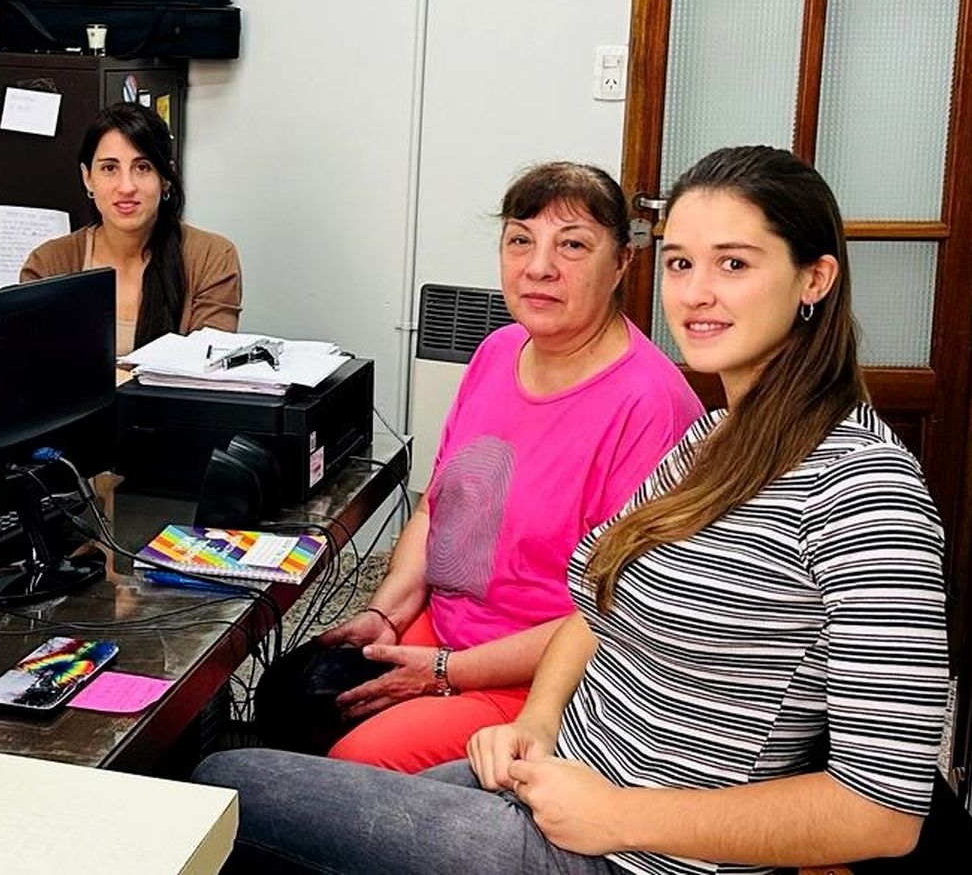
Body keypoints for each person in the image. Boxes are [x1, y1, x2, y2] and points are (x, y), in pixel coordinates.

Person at [194, 146, 949, 875]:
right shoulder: (715, 441)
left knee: (221, 793)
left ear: (814, 278)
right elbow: (597, 612)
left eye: (735, 264)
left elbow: (882, 814)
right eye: (682, 263)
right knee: (275, 744)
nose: (695, 293)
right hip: (556, 777)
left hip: (631, 849)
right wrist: (536, 727)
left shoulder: (866, 493)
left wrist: (615, 815)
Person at [254, 162, 701, 773]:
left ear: (622, 262)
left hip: (541, 684)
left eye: (572, 245)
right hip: (444, 631)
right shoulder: (496, 353)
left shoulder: (653, 407)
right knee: (288, 690)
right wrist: (387, 611)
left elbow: (616, 619)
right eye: (521, 240)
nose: (539, 267)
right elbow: (438, 505)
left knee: (349, 760)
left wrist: (446, 672)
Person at [20, 102, 241, 356]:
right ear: (87, 178)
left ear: (166, 177)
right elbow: (38, 372)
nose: (126, 187)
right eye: (109, 168)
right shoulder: (48, 264)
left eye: (143, 167)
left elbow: (204, 372)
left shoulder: (211, 258)